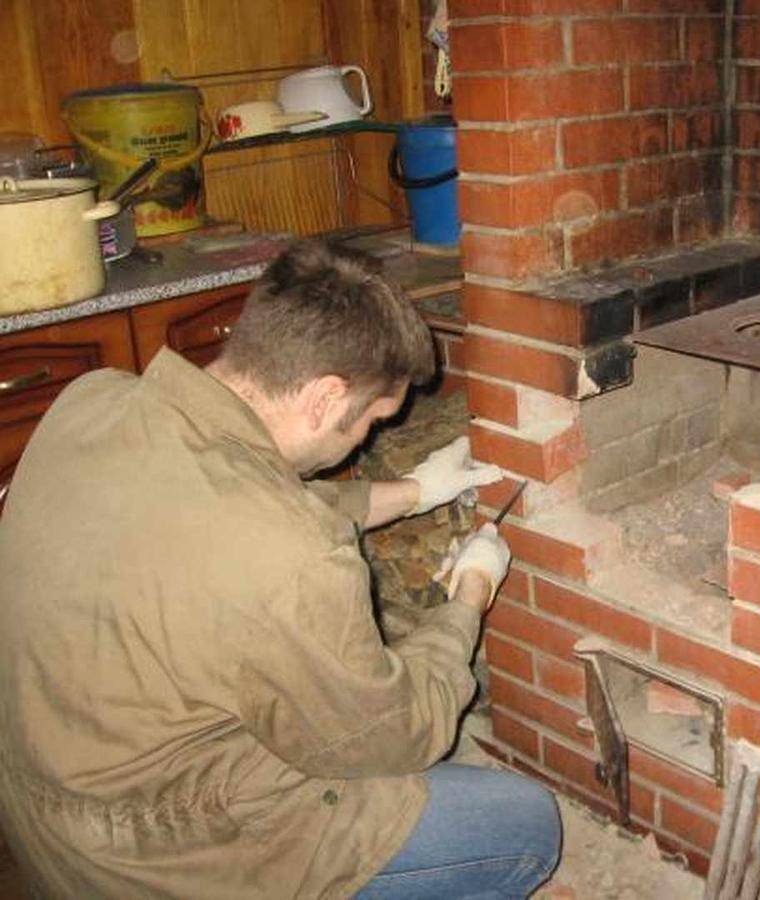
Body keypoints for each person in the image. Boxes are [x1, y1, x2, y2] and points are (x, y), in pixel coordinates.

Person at [0, 240, 562, 898]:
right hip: (149, 858)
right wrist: (470, 594)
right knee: (525, 825)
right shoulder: (291, 558)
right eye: (372, 420)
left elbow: (227, 502)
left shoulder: (95, 400)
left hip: (41, 808)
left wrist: (414, 492)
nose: (367, 438)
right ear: (325, 399)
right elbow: (395, 737)